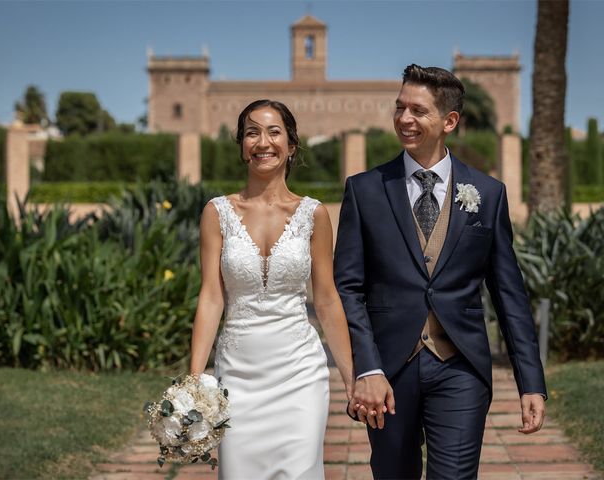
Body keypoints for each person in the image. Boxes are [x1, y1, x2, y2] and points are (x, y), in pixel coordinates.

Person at [334, 64, 547, 480]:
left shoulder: (488, 194)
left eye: (418, 110)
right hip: (389, 372)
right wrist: (368, 369)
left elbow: (509, 295)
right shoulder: (364, 191)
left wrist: (531, 382)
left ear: (449, 121)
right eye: (400, 108)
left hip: (461, 367)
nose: (404, 119)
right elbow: (349, 288)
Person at [189, 99, 354, 479]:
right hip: (237, 376)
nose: (263, 142)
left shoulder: (314, 215)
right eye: (252, 132)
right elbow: (211, 296)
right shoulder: (217, 213)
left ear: (292, 145)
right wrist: (196, 379)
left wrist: (351, 377)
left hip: (299, 373)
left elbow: (326, 299)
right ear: (242, 146)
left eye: (273, 131)